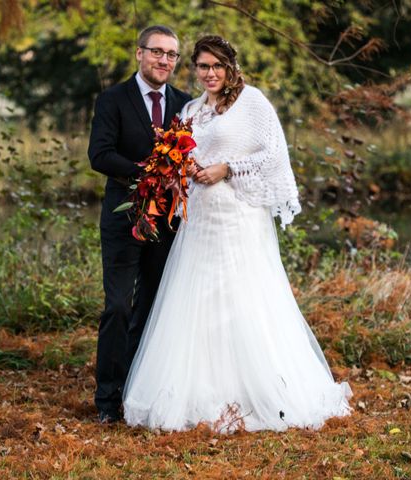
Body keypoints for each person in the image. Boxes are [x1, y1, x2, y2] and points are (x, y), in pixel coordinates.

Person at [122, 35, 352, 432]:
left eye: (217, 66)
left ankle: (258, 393)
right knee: (197, 299)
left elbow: (273, 152)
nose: (209, 73)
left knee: (240, 295)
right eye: (202, 66)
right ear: (195, 69)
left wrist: (226, 167)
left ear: (230, 68)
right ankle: (202, 391)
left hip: (238, 216)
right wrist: (189, 169)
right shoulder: (193, 109)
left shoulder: (253, 102)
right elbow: (188, 157)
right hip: (200, 222)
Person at [88, 25, 192, 423]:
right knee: (117, 306)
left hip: (168, 223)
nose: (164, 60)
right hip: (123, 219)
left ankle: (137, 390)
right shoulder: (112, 99)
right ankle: (107, 400)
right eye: (157, 52)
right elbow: (99, 155)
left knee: (152, 307)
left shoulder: (186, 105)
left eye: (171, 55)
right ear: (139, 54)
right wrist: (145, 174)